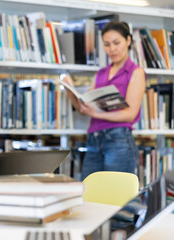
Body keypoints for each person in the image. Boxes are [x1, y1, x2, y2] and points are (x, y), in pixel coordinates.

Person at [63, 21, 146, 180]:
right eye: (107, 44)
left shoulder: (135, 72)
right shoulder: (100, 73)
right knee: (88, 192)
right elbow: (83, 109)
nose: (112, 49)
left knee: (115, 197)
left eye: (116, 43)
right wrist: (70, 92)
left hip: (119, 140)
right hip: (94, 139)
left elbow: (130, 114)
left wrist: (97, 114)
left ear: (128, 41)